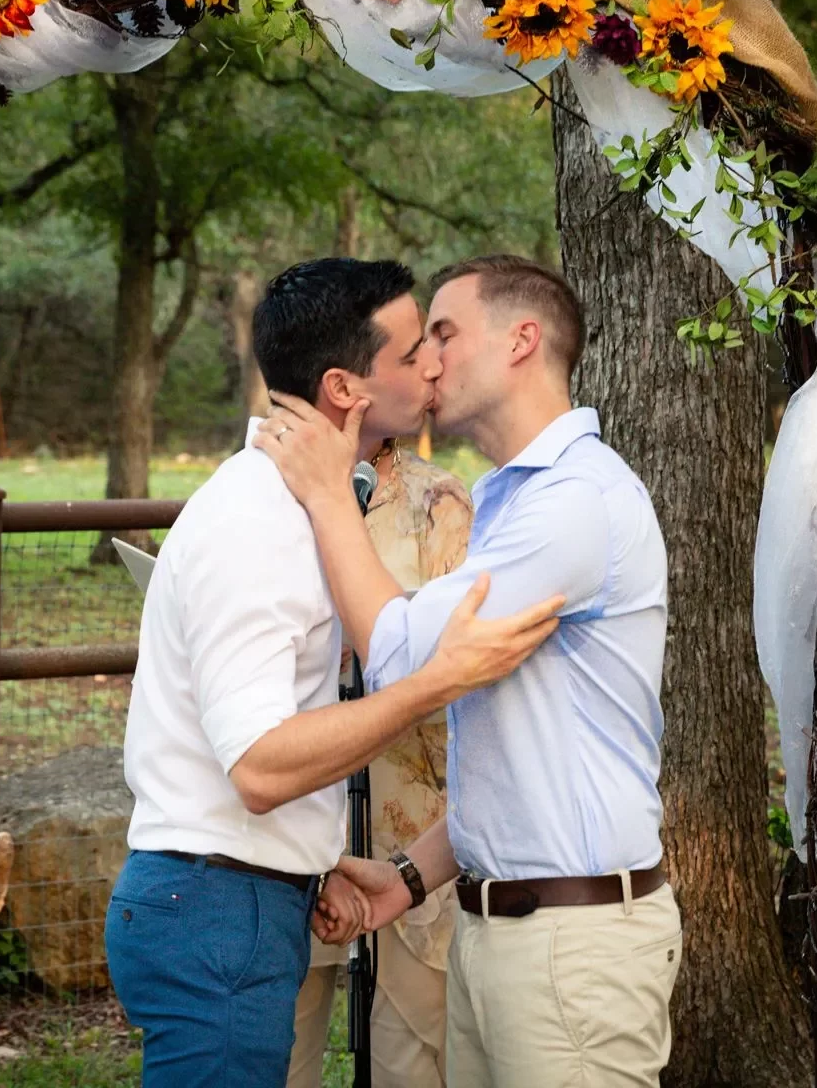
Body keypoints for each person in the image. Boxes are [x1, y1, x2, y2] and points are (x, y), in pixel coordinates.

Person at [105, 257, 565, 1088]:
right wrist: (436, 679)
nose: (430, 362)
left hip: (245, 900)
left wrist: (316, 863)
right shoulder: (256, 523)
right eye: (408, 351)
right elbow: (258, 764)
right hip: (216, 911)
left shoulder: (295, 508)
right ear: (344, 389)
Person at [257, 254, 679, 1088]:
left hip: (572, 951)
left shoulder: (574, 501)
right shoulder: (505, 501)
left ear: (523, 341)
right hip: (501, 933)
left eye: (444, 334)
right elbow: (518, 752)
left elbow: (408, 656)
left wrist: (331, 495)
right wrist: (410, 878)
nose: (429, 361)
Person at [287, 441, 472, 1088]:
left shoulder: (440, 505)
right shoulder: (270, 492)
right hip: (296, 823)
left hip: (411, 832)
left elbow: (467, 667)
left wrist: (378, 654)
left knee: (409, 1060)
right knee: (281, 1055)